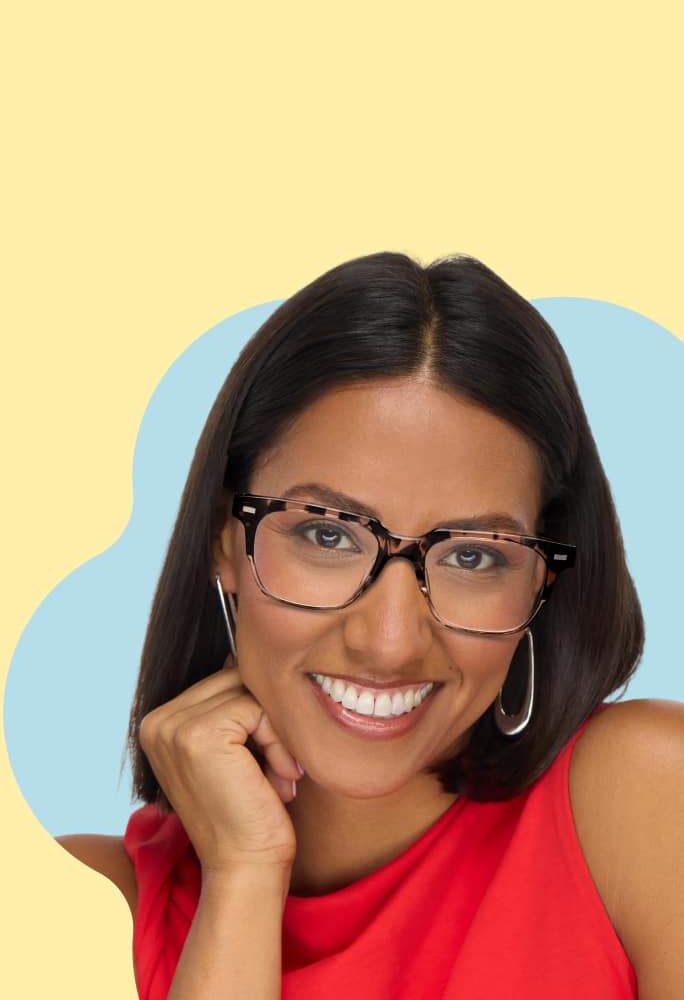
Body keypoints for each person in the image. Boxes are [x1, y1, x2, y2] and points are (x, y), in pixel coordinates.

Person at [59, 252, 684, 999]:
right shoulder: (85, 907)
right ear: (224, 539)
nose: (390, 642)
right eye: (328, 536)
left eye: (475, 556)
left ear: (541, 583)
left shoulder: (650, 799)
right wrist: (245, 872)